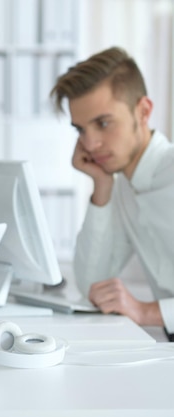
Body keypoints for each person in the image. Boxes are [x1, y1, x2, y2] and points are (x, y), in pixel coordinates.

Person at [50, 46, 174, 339]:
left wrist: (146, 311)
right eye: (80, 129)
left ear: (143, 111)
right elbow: (93, 284)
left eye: (103, 124)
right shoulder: (122, 187)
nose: (90, 144)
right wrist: (102, 187)